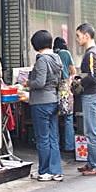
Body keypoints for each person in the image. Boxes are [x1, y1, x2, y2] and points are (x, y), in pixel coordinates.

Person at [25, 30, 64, 182]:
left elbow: (40, 82)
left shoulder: (42, 60)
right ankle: (56, 171)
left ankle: (44, 171)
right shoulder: (57, 58)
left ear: (36, 45)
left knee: (43, 138)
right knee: (53, 137)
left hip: (41, 102)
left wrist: (28, 83)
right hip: (53, 100)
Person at [74, 23, 96, 176]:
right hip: (94, 94)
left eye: (78, 36)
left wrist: (79, 83)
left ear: (86, 36)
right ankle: (92, 163)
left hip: (92, 95)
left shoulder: (92, 53)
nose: (77, 39)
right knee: (89, 131)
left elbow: (93, 77)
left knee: (92, 131)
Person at [53, 37, 76, 154]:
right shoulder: (65, 53)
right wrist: (70, 81)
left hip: (53, 88)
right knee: (68, 117)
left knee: (54, 117)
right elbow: (73, 71)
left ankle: (55, 144)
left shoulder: (52, 55)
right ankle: (69, 146)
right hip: (64, 87)